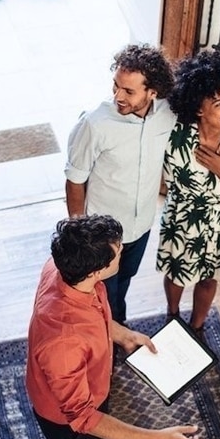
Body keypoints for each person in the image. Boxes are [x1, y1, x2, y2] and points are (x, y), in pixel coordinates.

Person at [26, 215, 211, 439]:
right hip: (68, 421)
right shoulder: (64, 343)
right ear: (96, 271)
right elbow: (84, 418)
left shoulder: (62, 268)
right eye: (118, 250)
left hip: (89, 387)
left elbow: (89, 316)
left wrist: (122, 333)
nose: (122, 248)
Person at [65, 44, 177, 324]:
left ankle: (114, 330)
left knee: (124, 282)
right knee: (106, 293)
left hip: (141, 226)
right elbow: (75, 180)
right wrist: (79, 232)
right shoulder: (96, 124)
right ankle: (112, 341)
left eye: (129, 91)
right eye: (116, 87)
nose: (118, 96)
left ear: (152, 92)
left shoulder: (168, 113)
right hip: (103, 233)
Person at [157, 51, 220, 340]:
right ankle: (172, 314)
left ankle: (198, 325)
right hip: (181, 217)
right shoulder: (173, 135)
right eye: (219, 102)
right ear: (199, 108)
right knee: (176, 273)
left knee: (208, 277)